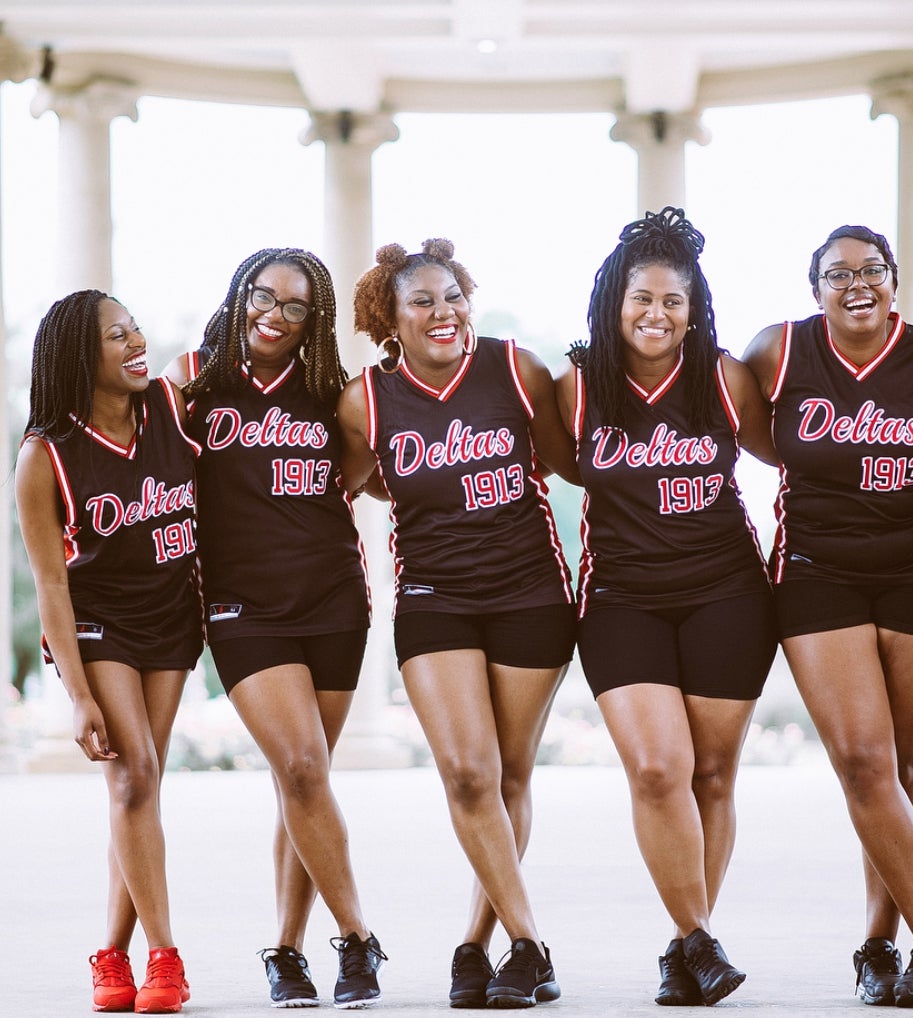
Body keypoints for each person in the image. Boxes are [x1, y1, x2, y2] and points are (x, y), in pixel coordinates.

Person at [340, 239, 577, 1010]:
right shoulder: (365, 401)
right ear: (391, 320)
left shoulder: (516, 368)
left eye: (453, 297)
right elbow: (357, 482)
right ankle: (531, 945)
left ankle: (478, 946)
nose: (443, 312)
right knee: (469, 775)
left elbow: (566, 462)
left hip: (530, 592)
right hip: (434, 595)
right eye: (423, 301)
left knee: (509, 776)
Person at [743, 225, 913, 1008]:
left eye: (872, 269)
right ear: (814, 291)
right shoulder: (780, 350)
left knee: (902, 763)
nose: (856, 284)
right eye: (837, 274)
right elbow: (753, 435)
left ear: (895, 282)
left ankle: (879, 945)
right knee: (862, 760)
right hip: (818, 570)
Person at [556, 207, 775, 1007]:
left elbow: (787, 453)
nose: (657, 314)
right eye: (642, 299)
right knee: (656, 770)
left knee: (712, 775)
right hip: (623, 597)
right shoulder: (577, 387)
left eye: (673, 302)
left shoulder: (724, 378)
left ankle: (689, 950)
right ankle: (699, 941)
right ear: (615, 301)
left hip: (728, 593)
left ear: (694, 308)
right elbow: (561, 463)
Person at [165, 248, 385, 1009]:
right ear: (241, 293)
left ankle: (287, 952)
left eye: (296, 306)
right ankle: (357, 938)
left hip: (333, 599)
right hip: (241, 608)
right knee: (300, 766)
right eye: (264, 296)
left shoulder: (329, 390)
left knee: (304, 780)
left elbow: (360, 475)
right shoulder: (193, 379)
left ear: (313, 320)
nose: (275, 316)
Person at [16, 290, 202, 1014]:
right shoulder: (44, 456)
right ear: (77, 356)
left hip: (172, 619)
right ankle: (165, 957)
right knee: (134, 778)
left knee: (139, 790)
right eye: (116, 336)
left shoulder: (172, 406)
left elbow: (240, 349)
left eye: (135, 329)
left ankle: (111, 955)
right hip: (99, 626)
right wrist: (78, 696)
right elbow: (50, 585)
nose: (135, 342)